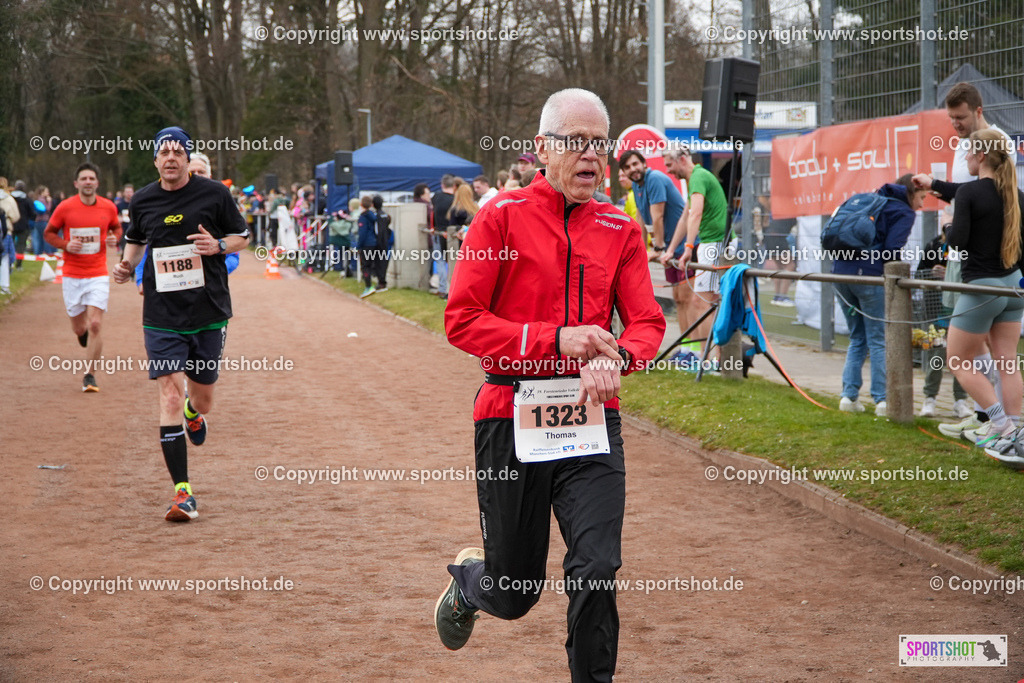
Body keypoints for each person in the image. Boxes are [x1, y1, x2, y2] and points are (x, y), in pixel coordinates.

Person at [435, 88, 666, 681]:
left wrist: (621, 359)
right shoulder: (501, 216)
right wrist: (554, 338)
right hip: (510, 414)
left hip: (590, 418)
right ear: (543, 148)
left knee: (595, 568)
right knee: (514, 594)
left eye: (600, 144)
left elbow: (646, 322)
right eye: (575, 142)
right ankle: (471, 583)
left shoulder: (620, 227)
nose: (590, 155)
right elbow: (462, 321)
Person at [112, 126, 250, 522]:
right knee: (168, 395)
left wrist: (219, 245)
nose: (170, 158)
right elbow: (136, 240)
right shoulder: (142, 200)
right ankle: (183, 492)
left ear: (188, 159)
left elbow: (242, 236)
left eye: (178, 152)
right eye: (163, 153)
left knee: (201, 399)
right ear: (155, 160)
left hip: (207, 312)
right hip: (161, 316)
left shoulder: (214, 194)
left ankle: (194, 411)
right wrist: (127, 265)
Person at [918, 130, 1024, 465]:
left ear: (980, 156)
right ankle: (1016, 430)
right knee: (1007, 361)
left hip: (981, 288)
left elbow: (958, 243)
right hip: (1013, 288)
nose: (965, 159)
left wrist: (948, 227)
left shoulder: (969, 192)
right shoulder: (1017, 194)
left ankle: (1004, 427)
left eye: (967, 153)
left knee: (958, 360)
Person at [831, 175, 925, 416]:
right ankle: (883, 401)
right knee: (878, 337)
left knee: (857, 337)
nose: (922, 204)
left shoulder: (871, 200)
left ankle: (848, 397)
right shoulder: (903, 211)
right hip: (869, 277)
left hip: (841, 274)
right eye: (922, 197)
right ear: (911, 192)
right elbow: (892, 250)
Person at [43, 163, 121, 392]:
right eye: (83, 179)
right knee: (80, 328)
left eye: (92, 178)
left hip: (97, 273)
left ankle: (90, 375)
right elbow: (48, 233)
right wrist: (67, 244)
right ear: (76, 184)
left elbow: (117, 228)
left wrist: (114, 239)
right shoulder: (65, 208)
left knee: (96, 323)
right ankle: (82, 333)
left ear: (97, 183)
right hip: (72, 275)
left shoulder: (108, 207)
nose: (88, 182)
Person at [659, 146, 729, 357]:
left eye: (670, 165)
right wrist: (671, 250)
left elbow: (695, 213)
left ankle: (709, 358)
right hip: (711, 243)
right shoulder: (694, 178)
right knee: (709, 301)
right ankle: (708, 357)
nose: (669, 171)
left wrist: (688, 248)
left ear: (681, 160)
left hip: (715, 243)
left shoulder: (697, 177)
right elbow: (684, 217)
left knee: (702, 301)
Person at [620, 150, 693, 345]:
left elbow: (657, 216)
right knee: (678, 299)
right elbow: (642, 219)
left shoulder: (654, 179)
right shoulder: (637, 185)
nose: (632, 170)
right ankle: (685, 347)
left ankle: (695, 350)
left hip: (682, 246)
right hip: (669, 249)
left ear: (644, 163)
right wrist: (640, 251)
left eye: (635, 164)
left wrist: (659, 248)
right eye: (627, 167)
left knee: (688, 299)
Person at [914, 214, 970, 418]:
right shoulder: (934, 246)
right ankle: (930, 398)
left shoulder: (969, 247)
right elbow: (919, 274)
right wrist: (932, 274)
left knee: (963, 356)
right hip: (937, 311)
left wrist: (949, 276)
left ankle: (960, 400)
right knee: (937, 353)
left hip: (963, 309)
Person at [431, 174, 456, 297]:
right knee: (452, 262)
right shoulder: (455, 199)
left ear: (442, 185)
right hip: (452, 234)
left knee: (440, 261)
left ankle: (443, 288)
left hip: (439, 232)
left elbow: (433, 212)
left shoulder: (437, 197)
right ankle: (451, 288)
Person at [356, 195, 378, 297]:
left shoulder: (363, 217)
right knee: (370, 264)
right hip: (373, 243)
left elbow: (362, 233)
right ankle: (371, 285)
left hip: (366, 244)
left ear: (361, 204)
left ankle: (368, 287)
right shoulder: (373, 216)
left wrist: (358, 246)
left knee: (365, 266)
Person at [10, 181, 33, 270]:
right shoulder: (27, 199)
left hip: (12, 224)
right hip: (23, 225)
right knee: (21, 245)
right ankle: (18, 265)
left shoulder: (10, 197)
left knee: (10, 244)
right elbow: (32, 212)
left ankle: (10, 263)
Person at [371, 195, 392, 292]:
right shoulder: (385, 215)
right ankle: (382, 281)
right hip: (385, 241)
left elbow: (375, 229)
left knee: (378, 262)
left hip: (378, 241)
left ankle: (381, 283)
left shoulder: (375, 216)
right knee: (383, 261)